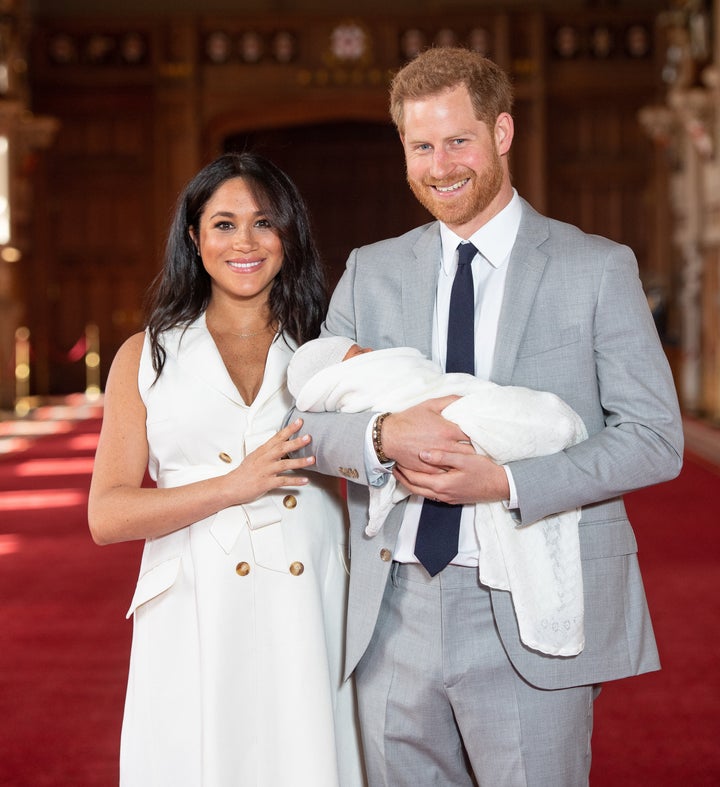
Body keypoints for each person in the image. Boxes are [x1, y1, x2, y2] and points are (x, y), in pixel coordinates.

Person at [290, 48, 684, 786]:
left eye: (458, 140)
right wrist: (382, 435)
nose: (440, 165)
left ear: (501, 133)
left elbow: (655, 438)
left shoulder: (596, 266)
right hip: (391, 607)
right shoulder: (370, 269)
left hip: (527, 601)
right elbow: (305, 420)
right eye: (420, 146)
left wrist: (505, 480)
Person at [88, 152, 365, 787]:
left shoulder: (330, 348)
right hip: (192, 605)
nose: (245, 242)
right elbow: (108, 515)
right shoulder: (147, 354)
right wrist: (231, 486)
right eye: (224, 224)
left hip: (310, 600)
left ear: (288, 234)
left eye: (264, 223)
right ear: (194, 236)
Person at [288, 335, 587, 657]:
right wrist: (383, 435)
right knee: (519, 421)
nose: (372, 353)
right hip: (394, 590)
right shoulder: (359, 291)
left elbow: (646, 433)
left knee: (533, 418)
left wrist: (507, 482)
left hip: (497, 577)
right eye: (360, 354)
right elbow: (300, 428)